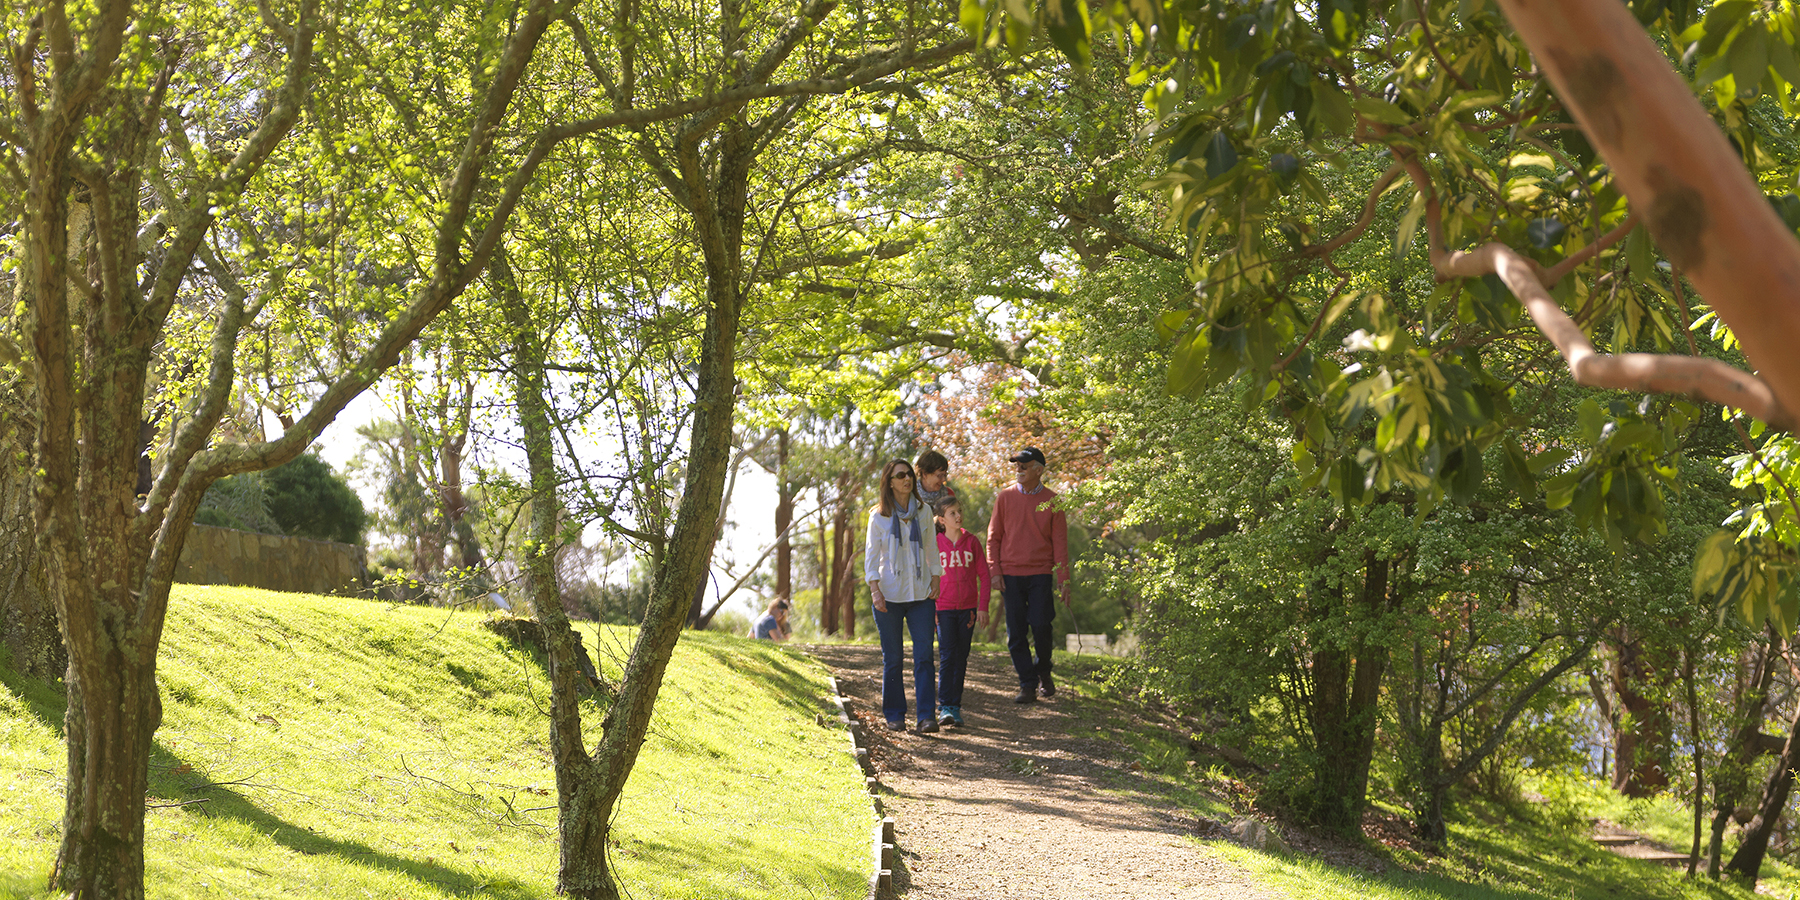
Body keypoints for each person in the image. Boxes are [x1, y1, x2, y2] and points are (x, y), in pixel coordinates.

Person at [865, 458, 945, 733]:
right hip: (889, 594)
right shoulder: (878, 516)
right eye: (900, 475)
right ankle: (895, 715)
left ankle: (926, 717)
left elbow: (932, 548)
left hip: (921, 593)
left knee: (924, 655)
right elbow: (871, 557)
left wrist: (935, 577)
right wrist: (875, 590)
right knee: (894, 658)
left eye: (909, 474)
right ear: (889, 482)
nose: (907, 479)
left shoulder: (924, 511)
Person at [987, 446, 1070, 703]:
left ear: (1039, 470)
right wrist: (995, 570)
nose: (1019, 468)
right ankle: (1027, 683)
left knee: (1042, 626)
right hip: (1011, 574)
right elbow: (993, 538)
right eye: (1017, 464)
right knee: (1016, 633)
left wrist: (1063, 581)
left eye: (1024, 464)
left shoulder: (1053, 501)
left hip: (1041, 574)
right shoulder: (1004, 498)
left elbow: (1060, 545)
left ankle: (1043, 669)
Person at [932, 496, 988, 728]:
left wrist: (982, 607)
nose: (958, 516)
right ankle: (944, 706)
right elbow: (927, 577)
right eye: (952, 513)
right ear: (941, 519)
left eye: (959, 511)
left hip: (968, 610)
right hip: (943, 609)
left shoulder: (972, 542)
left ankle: (955, 707)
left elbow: (984, 576)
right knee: (947, 655)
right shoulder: (934, 543)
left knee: (961, 657)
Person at [915, 449, 957, 516]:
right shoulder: (910, 495)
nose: (943, 479)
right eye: (939, 476)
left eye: (944, 475)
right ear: (924, 474)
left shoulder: (948, 494)